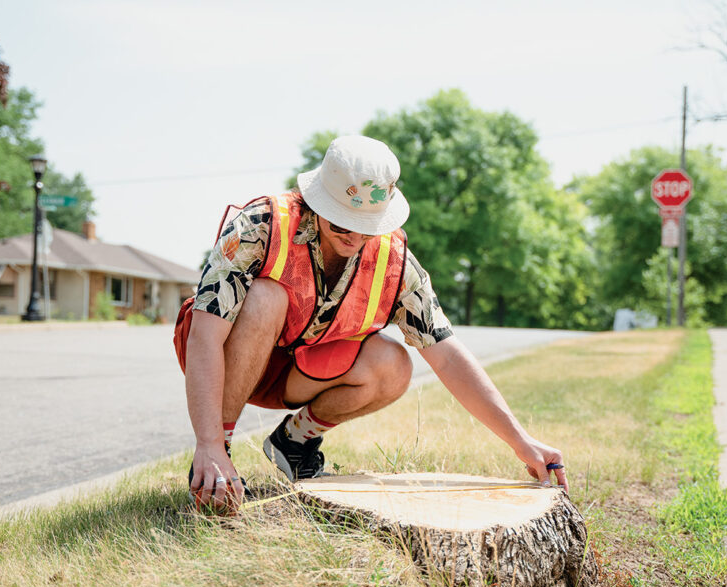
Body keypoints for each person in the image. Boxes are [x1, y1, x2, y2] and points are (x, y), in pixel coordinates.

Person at [174, 135, 567, 511]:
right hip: (228, 361)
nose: (355, 235)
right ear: (318, 202)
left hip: (297, 372)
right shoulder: (260, 225)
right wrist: (208, 443)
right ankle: (218, 457)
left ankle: (293, 443)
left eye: (368, 225)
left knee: (394, 363)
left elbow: (446, 354)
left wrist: (520, 441)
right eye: (342, 222)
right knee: (266, 296)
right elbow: (206, 337)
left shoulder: (394, 259)